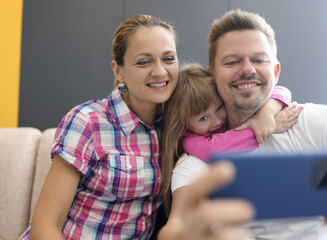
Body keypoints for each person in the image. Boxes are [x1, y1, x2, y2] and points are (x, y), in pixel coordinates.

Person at [17, 14, 251, 240]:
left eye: (168, 59)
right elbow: (45, 227)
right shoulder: (88, 121)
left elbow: (253, 95)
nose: (160, 71)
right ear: (118, 71)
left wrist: (268, 112)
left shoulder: (177, 121)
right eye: (144, 61)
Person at [167, 9, 327, 240]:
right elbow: (179, 222)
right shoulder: (197, 160)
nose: (248, 69)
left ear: (276, 71)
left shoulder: (317, 122)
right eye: (232, 61)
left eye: (259, 60)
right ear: (213, 75)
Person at [160, 63, 302, 213]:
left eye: (219, 108)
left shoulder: (230, 115)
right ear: (184, 124)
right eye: (203, 118)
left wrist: (266, 114)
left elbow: (281, 90)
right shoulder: (187, 139)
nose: (216, 121)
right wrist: (265, 129)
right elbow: (213, 150)